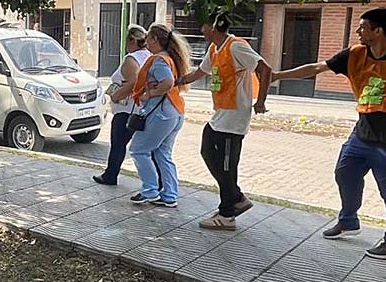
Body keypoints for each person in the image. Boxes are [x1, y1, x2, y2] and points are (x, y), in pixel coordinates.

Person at [272, 8, 386, 260]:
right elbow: (317, 67)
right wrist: (277, 75)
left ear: (378, 31)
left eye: (363, 27)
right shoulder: (354, 54)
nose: (358, 31)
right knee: (344, 173)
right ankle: (348, 221)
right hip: (361, 134)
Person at [174, 13, 272, 230]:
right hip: (221, 114)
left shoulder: (236, 46)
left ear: (211, 27)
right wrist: (177, 81)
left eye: (203, 25)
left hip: (235, 116)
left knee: (227, 166)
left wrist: (260, 101)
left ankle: (227, 214)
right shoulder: (214, 49)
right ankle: (236, 197)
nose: (201, 30)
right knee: (208, 150)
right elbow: (200, 72)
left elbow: (265, 69)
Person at [128, 23, 190, 207]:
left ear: (155, 39)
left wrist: (150, 94)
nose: (145, 41)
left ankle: (150, 190)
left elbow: (168, 82)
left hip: (161, 113)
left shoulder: (159, 60)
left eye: (148, 37)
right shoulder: (171, 58)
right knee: (163, 153)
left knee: (138, 149)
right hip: (175, 111)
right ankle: (169, 195)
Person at [93, 25, 153, 186]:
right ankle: (156, 182)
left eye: (127, 40)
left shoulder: (131, 59)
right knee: (147, 148)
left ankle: (110, 175)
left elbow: (134, 83)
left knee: (118, 144)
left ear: (132, 41)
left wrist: (116, 95)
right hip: (142, 108)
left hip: (127, 109)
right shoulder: (149, 56)